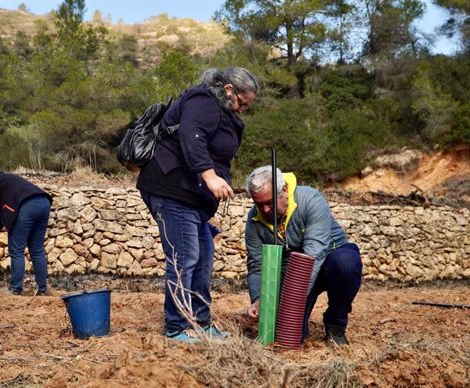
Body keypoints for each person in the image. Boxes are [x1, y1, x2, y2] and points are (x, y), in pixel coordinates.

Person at [137, 67, 260, 343]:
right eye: (241, 102)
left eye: (246, 106)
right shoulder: (203, 100)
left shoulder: (222, 112)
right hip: (172, 189)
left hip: (193, 199)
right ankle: (177, 326)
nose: (242, 109)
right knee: (185, 258)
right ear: (228, 89)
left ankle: (201, 323)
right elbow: (192, 134)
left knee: (203, 258)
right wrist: (209, 176)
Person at [244, 166, 363, 345]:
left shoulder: (311, 200)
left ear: (284, 190)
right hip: (292, 273)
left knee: (346, 264)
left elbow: (313, 253)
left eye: (269, 202)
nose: (265, 210)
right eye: (258, 204)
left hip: (326, 261)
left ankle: (335, 323)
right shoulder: (254, 220)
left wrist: (290, 301)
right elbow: (256, 264)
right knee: (287, 336)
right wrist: (259, 299)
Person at [0, 160, 53, 296]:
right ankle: (43, 290)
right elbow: (5, 214)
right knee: (37, 250)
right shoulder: (2, 180)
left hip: (26, 205)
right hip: (43, 201)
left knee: (16, 250)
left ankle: (15, 290)